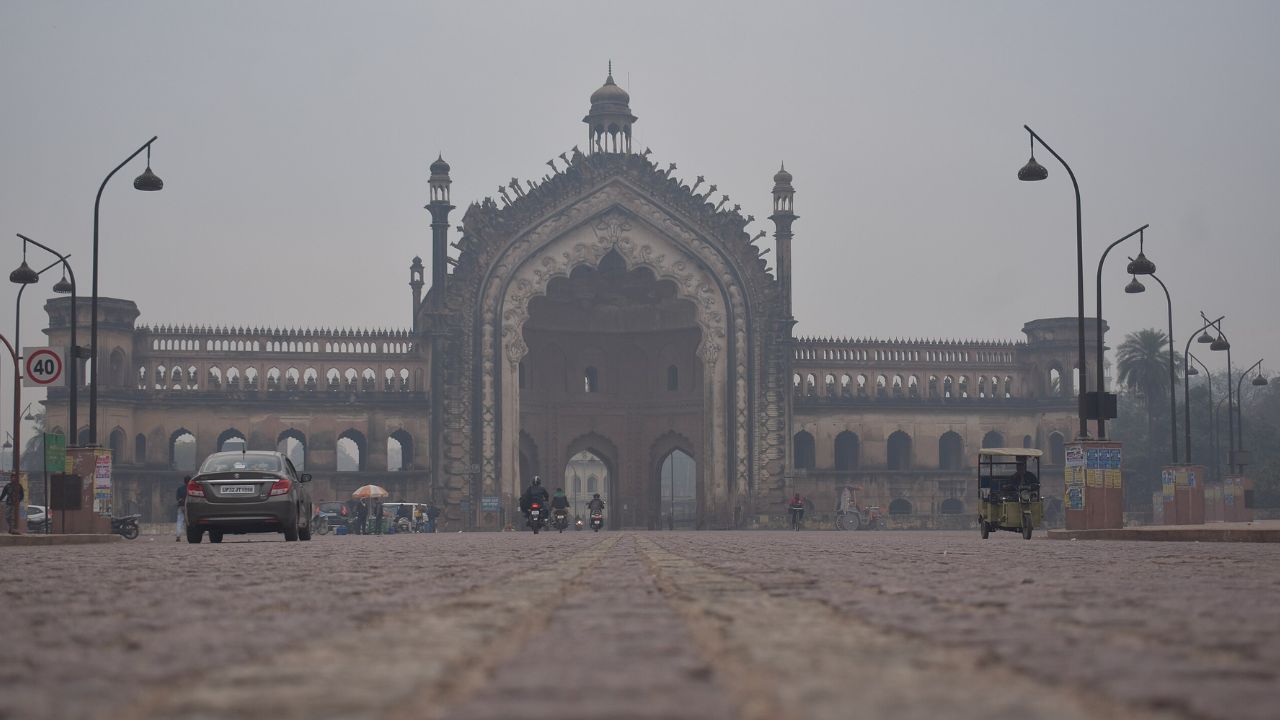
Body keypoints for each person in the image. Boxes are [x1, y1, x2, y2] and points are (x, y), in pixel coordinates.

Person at [176, 476, 189, 542]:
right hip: (188, 507)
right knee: (189, 521)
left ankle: (178, 536)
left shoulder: (180, 488)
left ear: (184, 481)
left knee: (179, 521)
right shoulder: (190, 488)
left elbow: (177, 498)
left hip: (181, 506)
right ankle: (189, 535)